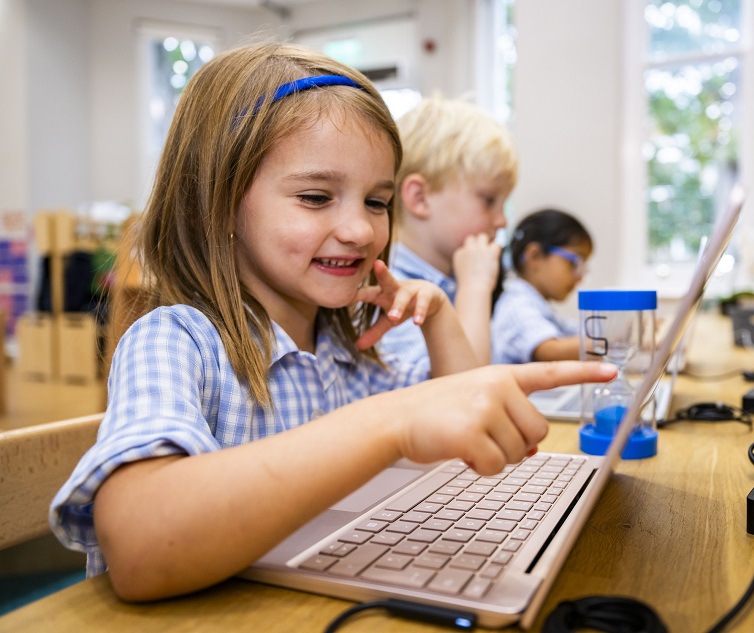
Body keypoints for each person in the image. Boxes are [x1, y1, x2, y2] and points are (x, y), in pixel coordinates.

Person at [48, 43, 615, 602]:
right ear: (216, 205)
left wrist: (440, 320)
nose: (362, 231)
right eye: (317, 197)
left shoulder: (351, 346)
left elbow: (456, 456)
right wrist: (390, 420)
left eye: (375, 202)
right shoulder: (176, 341)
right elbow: (142, 547)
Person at [379, 96, 518, 369]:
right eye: (489, 200)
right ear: (420, 198)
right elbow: (466, 393)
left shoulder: (455, 278)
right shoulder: (390, 288)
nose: (502, 221)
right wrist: (475, 287)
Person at [492, 209, 593, 364]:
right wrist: (614, 343)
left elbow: (577, 331)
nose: (579, 276)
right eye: (574, 263)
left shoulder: (538, 306)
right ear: (534, 256)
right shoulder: (516, 305)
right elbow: (550, 350)